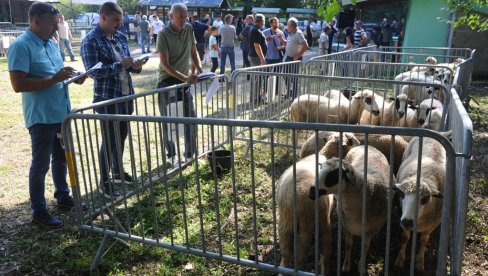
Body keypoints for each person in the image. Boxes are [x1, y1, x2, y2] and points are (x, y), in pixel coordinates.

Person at [7, 2, 87, 228]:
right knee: (40, 164)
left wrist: (73, 76)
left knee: (61, 158)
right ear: (36, 21)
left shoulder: (52, 43)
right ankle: (39, 211)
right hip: (41, 117)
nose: (56, 28)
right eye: (52, 24)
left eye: (56, 23)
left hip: (61, 112)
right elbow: (18, 84)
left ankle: (63, 196)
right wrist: (54, 79)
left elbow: (58, 74)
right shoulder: (21, 46)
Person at [80, 2, 147, 199]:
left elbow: (127, 65)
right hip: (107, 98)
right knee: (109, 140)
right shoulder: (91, 40)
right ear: (103, 17)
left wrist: (136, 65)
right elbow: (94, 71)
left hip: (126, 94)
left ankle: (117, 172)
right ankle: (104, 181)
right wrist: (120, 65)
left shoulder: (119, 37)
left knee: (122, 135)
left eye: (121, 20)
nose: (120, 24)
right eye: (116, 20)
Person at [156, 3, 202, 166]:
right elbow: (165, 65)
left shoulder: (189, 29)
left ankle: (190, 155)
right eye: (179, 17)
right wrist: (185, 77)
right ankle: (172, 156)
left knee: (190, 119)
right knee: (170, 122)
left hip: (184, 83)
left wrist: (199, 68)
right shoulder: (163, 34)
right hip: (167, 82)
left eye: (185, 16)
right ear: (171, 16)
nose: (183, 20)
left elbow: (193, 51)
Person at [284, 17, 308, 99]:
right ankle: (289, 92)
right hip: (288, 57)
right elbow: (288, 43)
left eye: (288, 24)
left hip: (295, 59)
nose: (287, 26)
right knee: (284, 74)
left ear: (292, 25)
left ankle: (294, 96)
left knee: (294, 78)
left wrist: (298, 55)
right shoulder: (290, 32)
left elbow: (305, 45)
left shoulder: (298, 33)